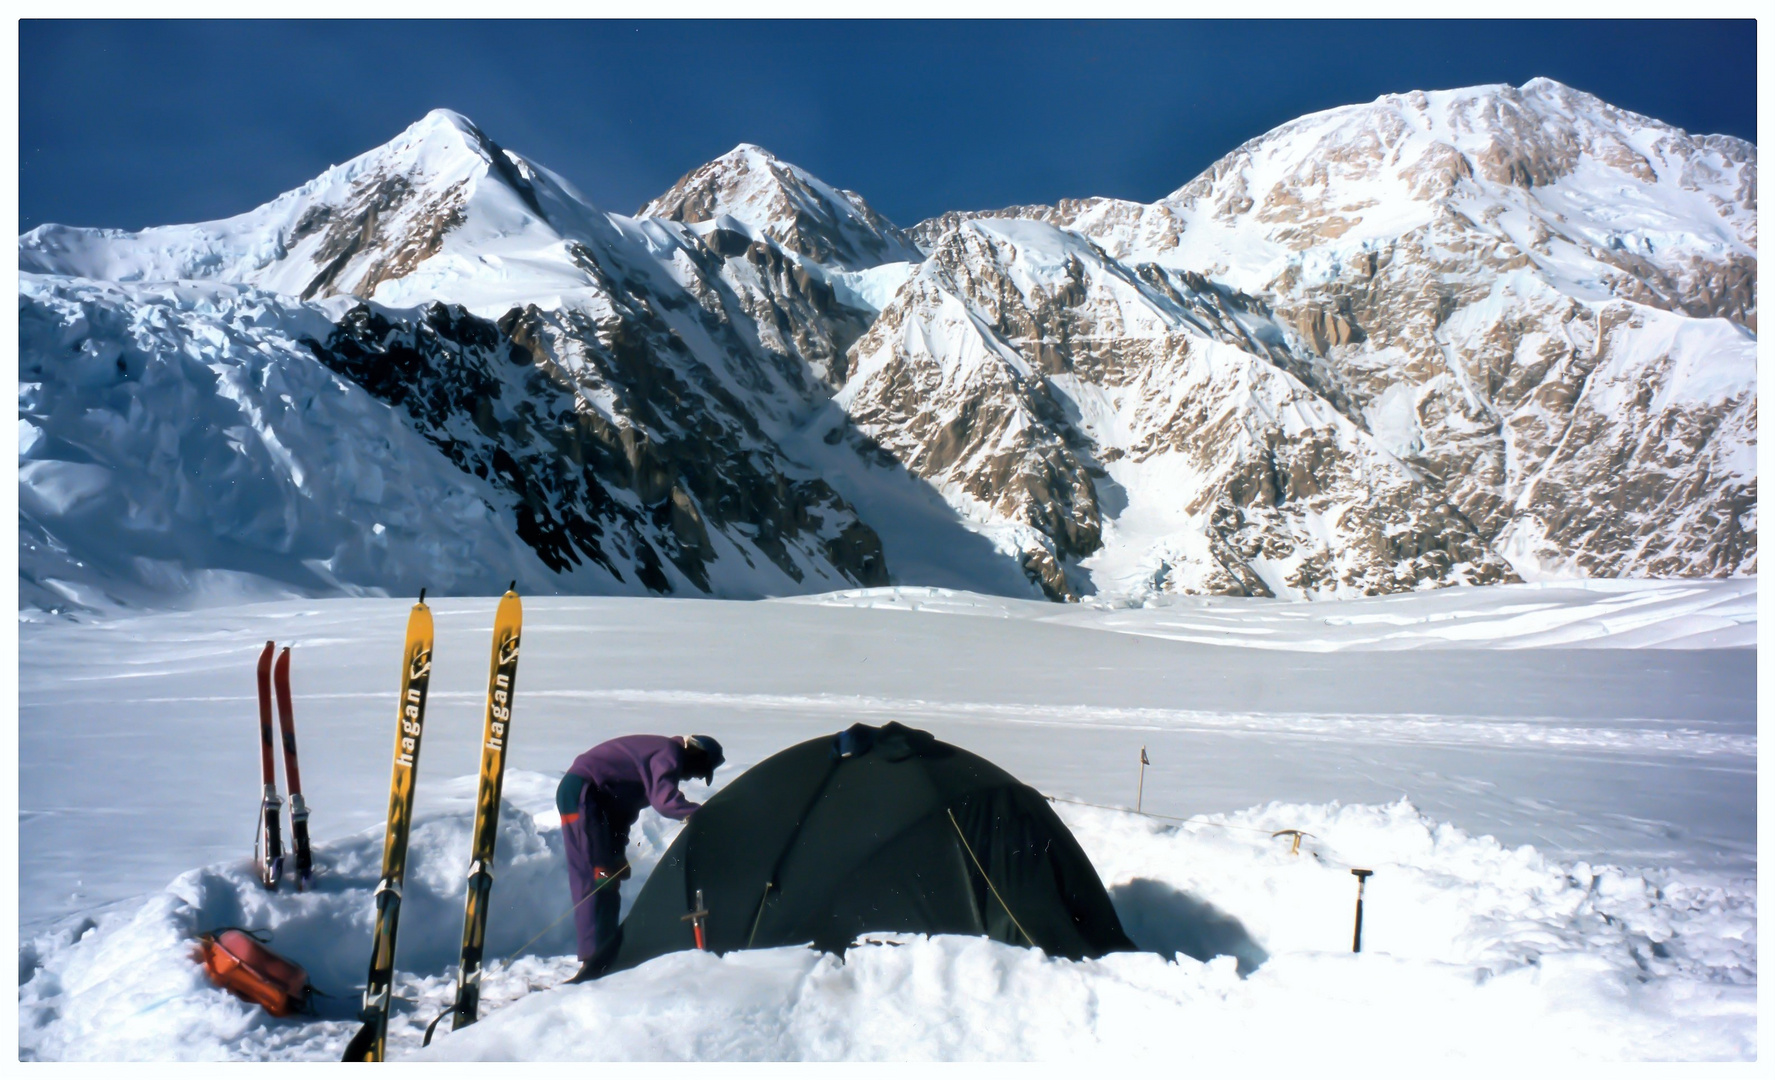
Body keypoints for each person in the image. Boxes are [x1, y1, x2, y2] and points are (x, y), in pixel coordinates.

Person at [557, 734, 724, 981]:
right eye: (699, 771)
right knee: (597, 876)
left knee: (607, 875)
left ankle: (604, 953)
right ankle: (593, 960)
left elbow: (622, 813)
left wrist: (617, 853)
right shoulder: (669, 752)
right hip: (582, 795)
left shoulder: (648, 768)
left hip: (592, 801)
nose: (692, 778)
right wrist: (702, 815)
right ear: (695, 753)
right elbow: (665, 801)